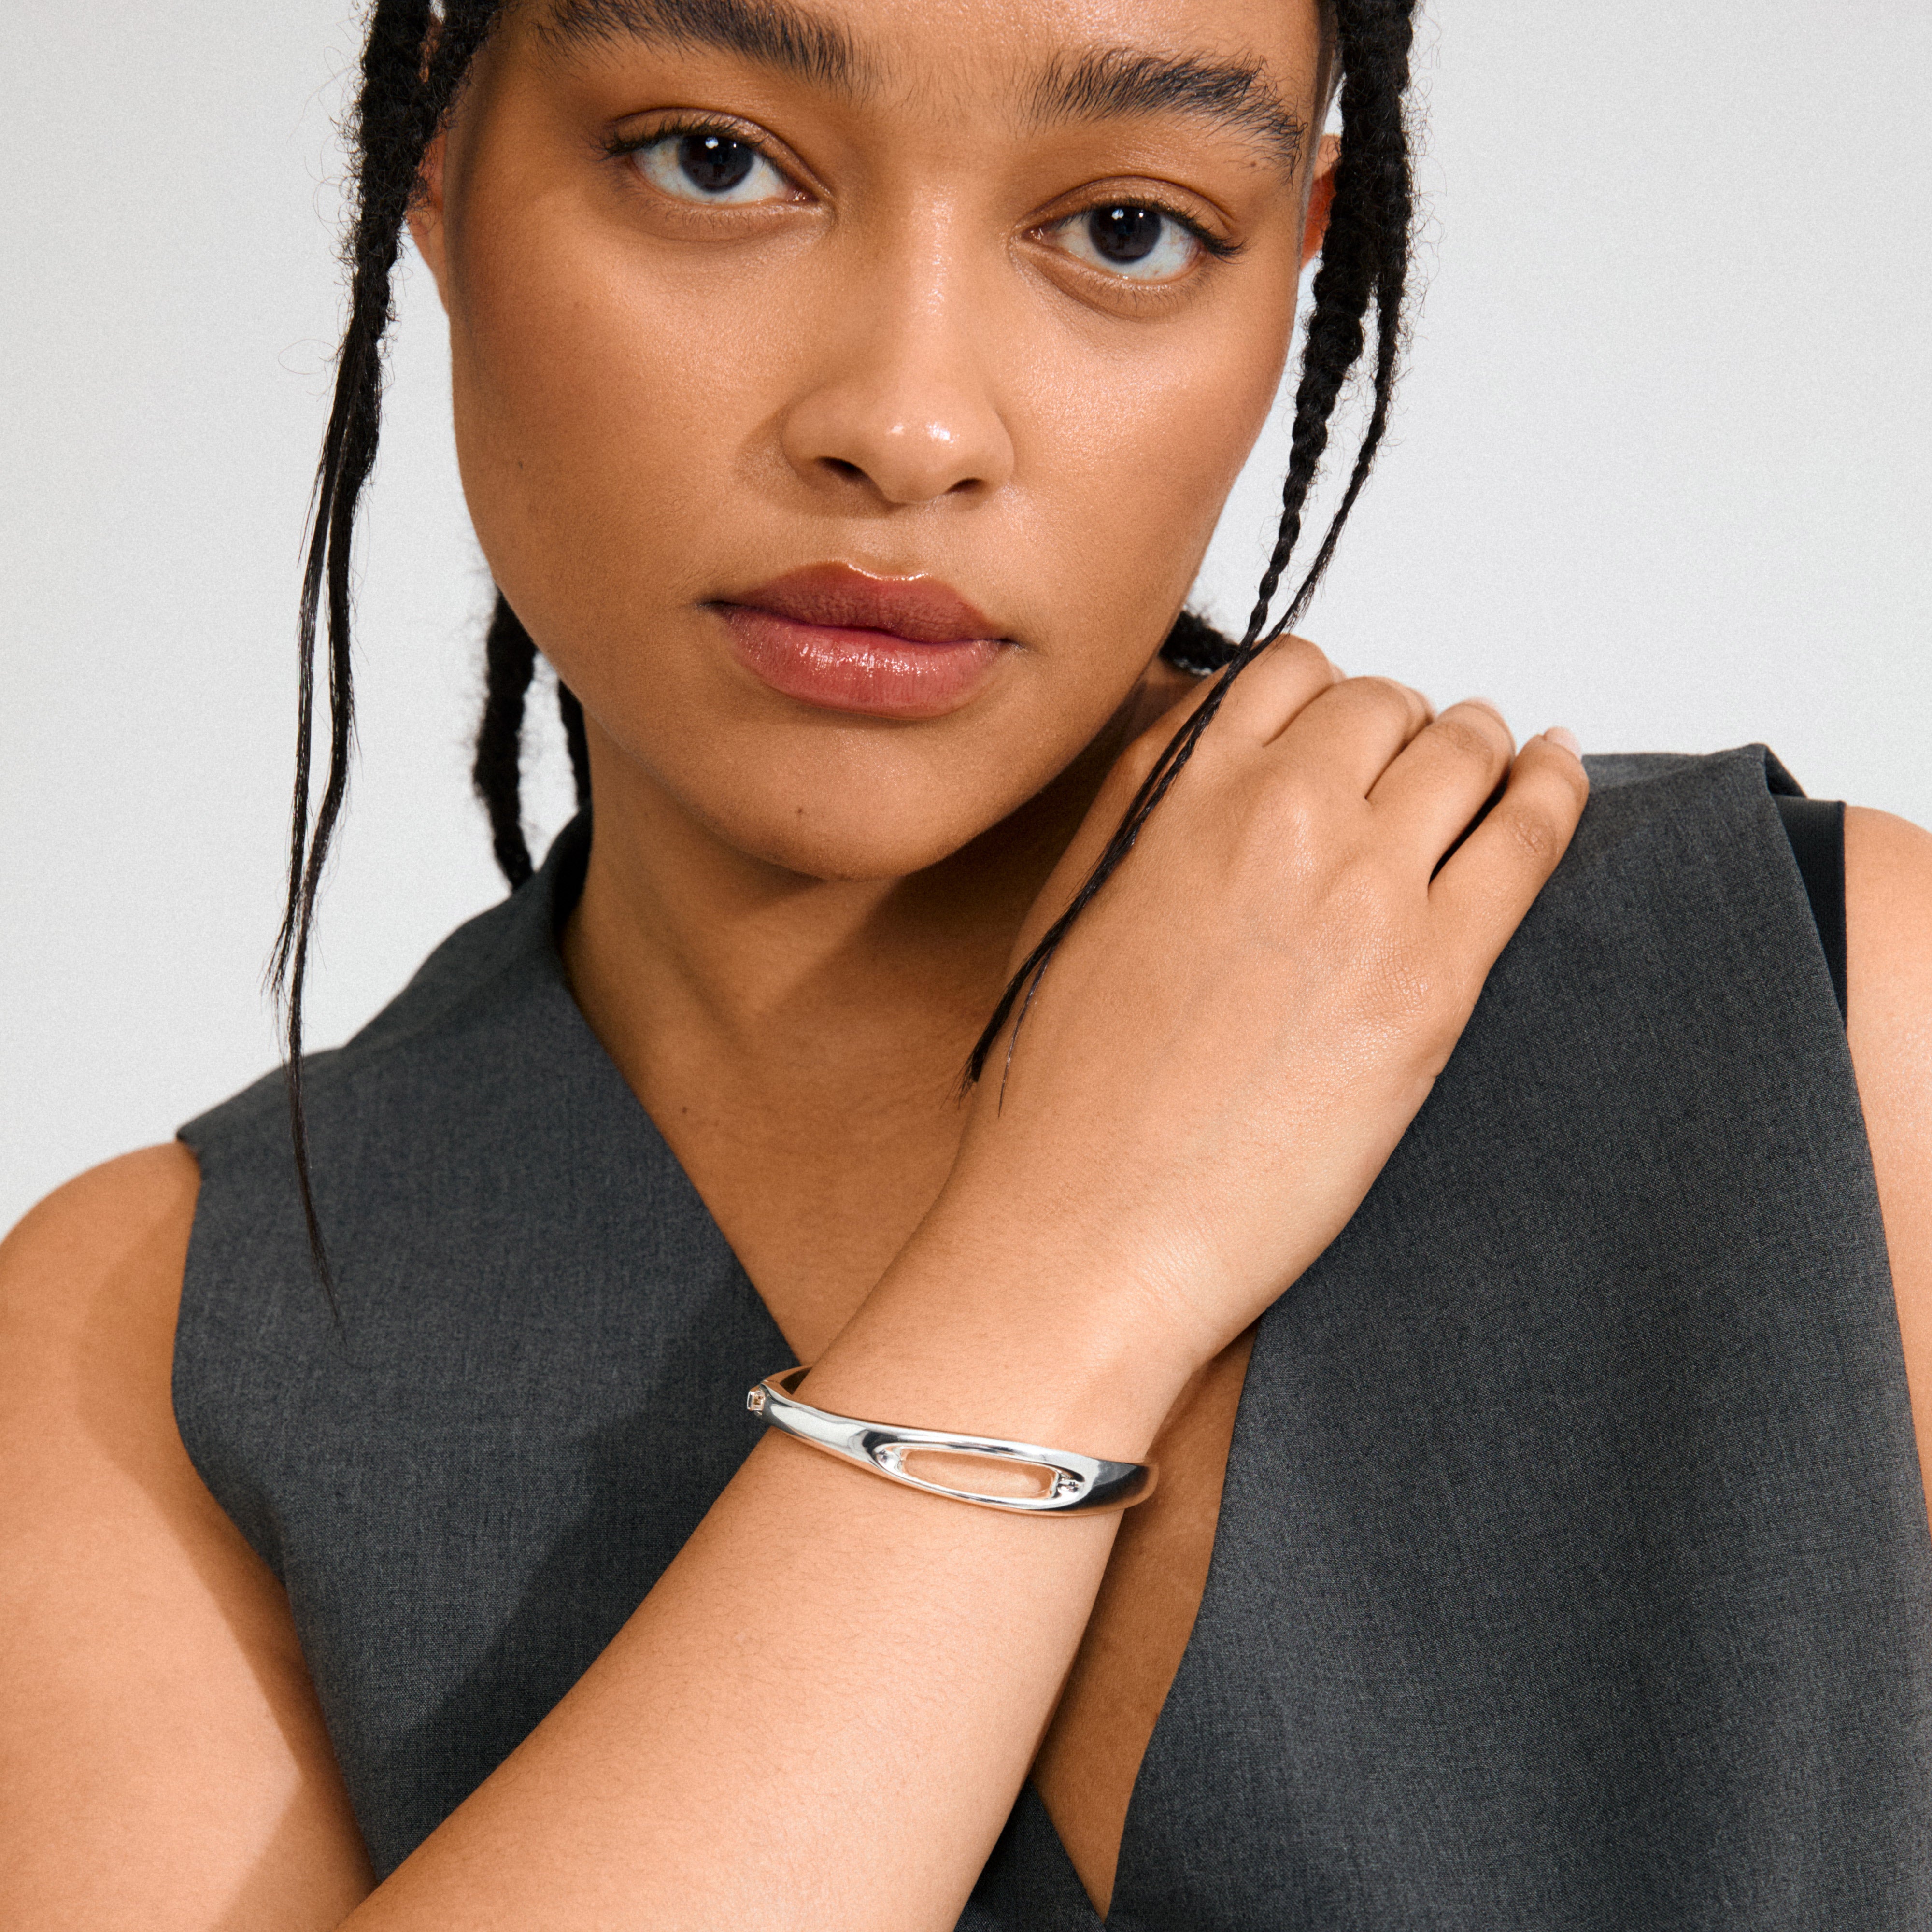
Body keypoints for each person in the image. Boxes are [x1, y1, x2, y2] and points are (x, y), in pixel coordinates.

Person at [4, 0, 1931, 1925]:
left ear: (1294, 258)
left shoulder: (1831, 1032)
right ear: (435, 155)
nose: (906, 424)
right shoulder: (154, 1354)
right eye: (714, 159)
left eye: (1123, 228)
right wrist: (1064, 1278)